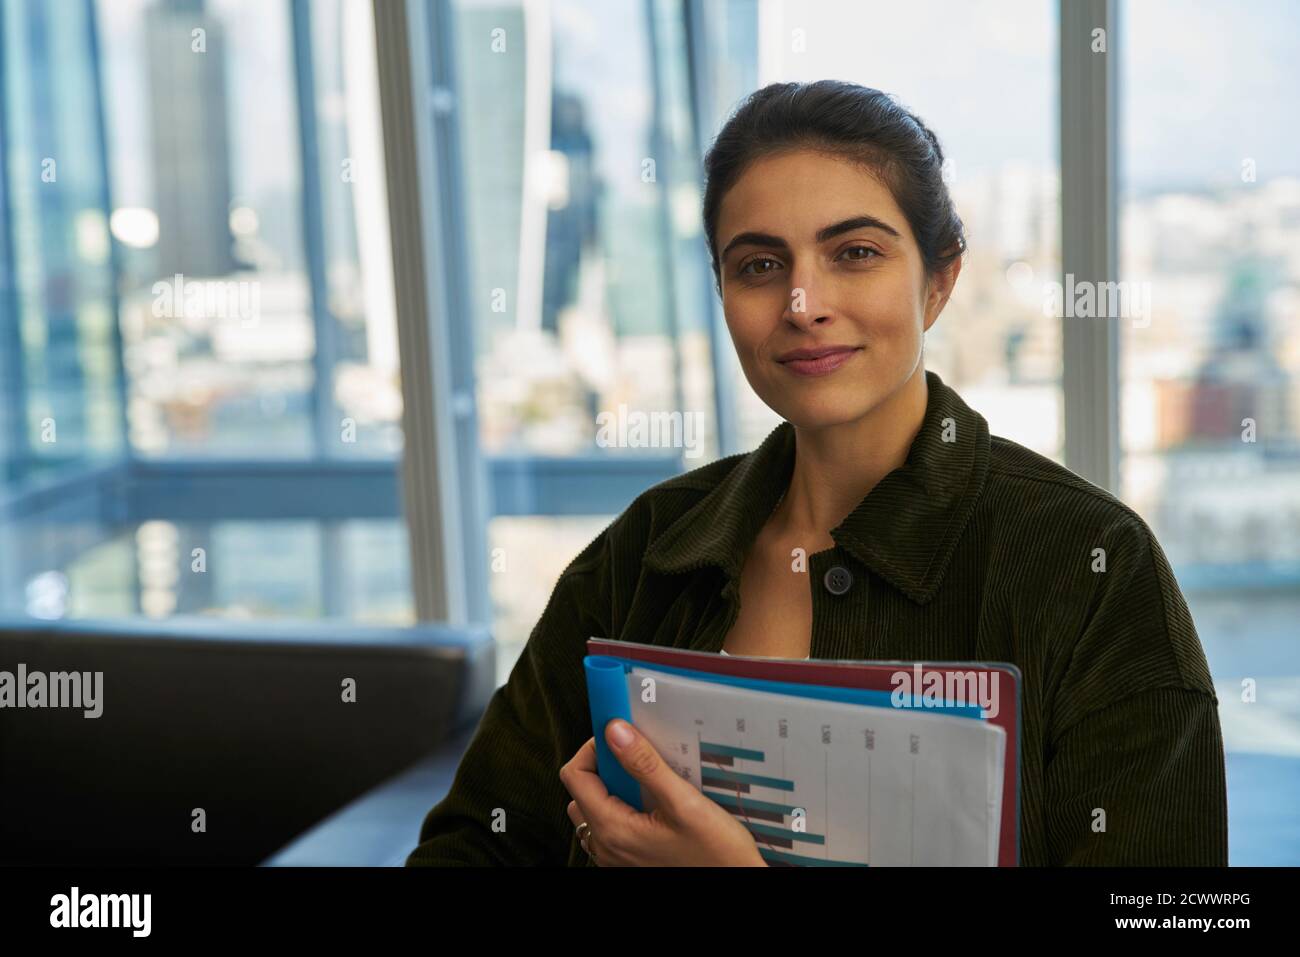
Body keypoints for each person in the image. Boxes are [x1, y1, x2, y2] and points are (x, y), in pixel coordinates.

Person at [407, 79, 1228, 867]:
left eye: (855, 252)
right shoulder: (645, 549)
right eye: (759, 265)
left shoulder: (1093, 567)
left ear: (939, 280)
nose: (803, 303)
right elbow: (473, 846)